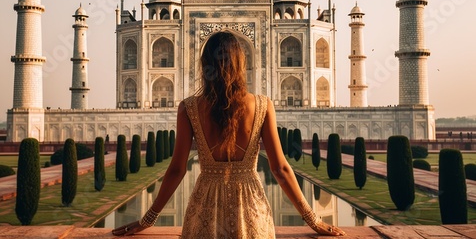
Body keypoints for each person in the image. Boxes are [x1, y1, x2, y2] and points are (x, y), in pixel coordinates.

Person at [112, 31, 345, 237]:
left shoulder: (189, 108)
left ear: (205, 66)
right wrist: (313, 220)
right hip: (250, 209)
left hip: (205, 209)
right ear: (241, 64)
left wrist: (148, 219)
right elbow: (280, 169)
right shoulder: (262, 105)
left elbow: (176, 170)